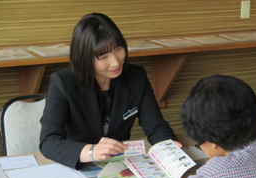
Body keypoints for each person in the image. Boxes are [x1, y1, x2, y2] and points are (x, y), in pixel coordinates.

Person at [40, 13, 178, 169]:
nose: (115, 62)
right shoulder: (62, 83)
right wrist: (92, 151)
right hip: (77, 165)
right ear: (85, 58)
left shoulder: (136, 77)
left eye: (118, 49)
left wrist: (169, 149)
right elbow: (48, 142)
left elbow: (156, 127)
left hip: (119, 166)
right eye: (104, 56)